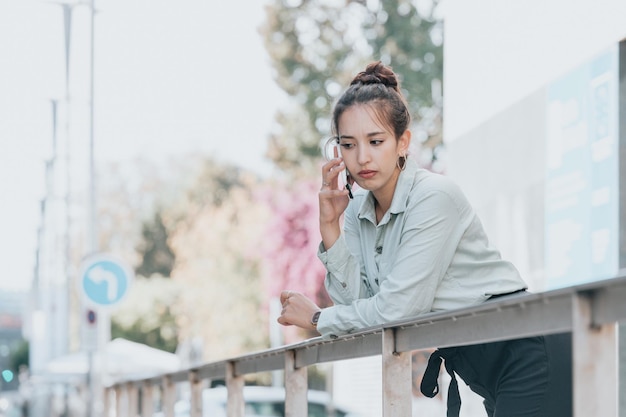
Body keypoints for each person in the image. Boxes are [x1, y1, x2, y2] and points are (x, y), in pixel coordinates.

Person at [277, 61, 572, 417]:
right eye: (348, 145)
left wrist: (317, 319)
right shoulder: (355, 212)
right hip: (482, 367)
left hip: (527, 351)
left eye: (376, 141)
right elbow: (361, 305)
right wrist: (330, 229)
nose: (362, 157)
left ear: (403, 142)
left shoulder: (434, 197)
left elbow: (395, 310)